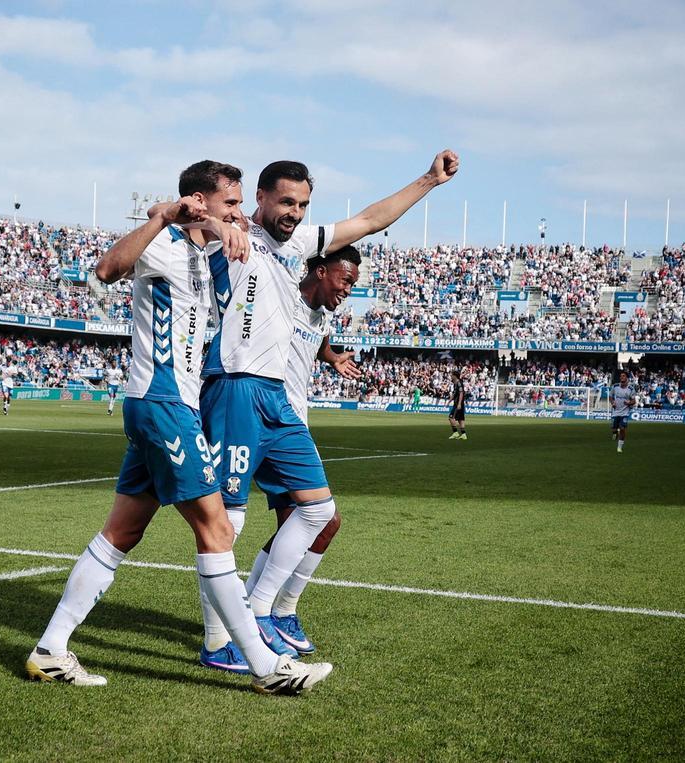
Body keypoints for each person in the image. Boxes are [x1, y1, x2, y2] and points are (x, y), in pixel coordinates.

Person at [25, 160, 333, 696]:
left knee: (122, 531)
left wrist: (219, 225)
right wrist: (166, 213)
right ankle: (263, 666)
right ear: (198, 199)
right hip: (162, 403)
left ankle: (50, 649)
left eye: (241, 203)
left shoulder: (203, 251)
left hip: (177, 405)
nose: (240, 213)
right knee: (215, 529)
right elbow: (106, 270)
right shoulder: (162, 244)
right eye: (231, 203)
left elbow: (227, 238)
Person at [200, 150, 458, 657]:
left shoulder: (297, 244)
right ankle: (216, 640)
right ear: (261, 197)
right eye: (286, 202)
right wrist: (216, 221)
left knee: (320, 510)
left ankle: (260, 611)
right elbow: (178, 214)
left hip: (277, 397)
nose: (294, 212)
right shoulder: (233, 235)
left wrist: (429, 179)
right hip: (234, 384)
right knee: (229, 522)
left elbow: (368, 220)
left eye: (303, 204)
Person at [201, 247, 361, 668]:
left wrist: (332, 357)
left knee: (319, 521)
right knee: (235, 521)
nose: (348, 291)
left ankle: (273, 610)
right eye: (345, 281)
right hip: (251, 413)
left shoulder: (322, 314)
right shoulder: (281, 295)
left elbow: (318, 340)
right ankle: (249, 619)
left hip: (290, 425)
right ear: (321, 270)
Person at [610, 370, 636, 453]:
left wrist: (629, 402)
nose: (621, 377)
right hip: (616, 411)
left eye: (624, 376)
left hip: (625, 412)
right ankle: (615, 432)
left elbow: (633, 401)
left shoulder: (631, 389)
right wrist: (612, 402)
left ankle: (619, 447)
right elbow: (610, 396)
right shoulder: (615, 386)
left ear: (627, 378)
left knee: (622, 429)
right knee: (614, 428)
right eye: (621, 376)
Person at [448, 369, 467, 440]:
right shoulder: (455, 383)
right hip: (458, 403)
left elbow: (461, 393)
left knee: (451, 417)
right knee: (460, 419)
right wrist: (449, 401)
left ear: (455, 376)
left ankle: (455, 432)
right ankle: (464, 434)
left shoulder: (459, 383)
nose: (451, 376)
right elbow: (454, 394)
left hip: (458, 404)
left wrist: (459, 404)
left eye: (451, 375)